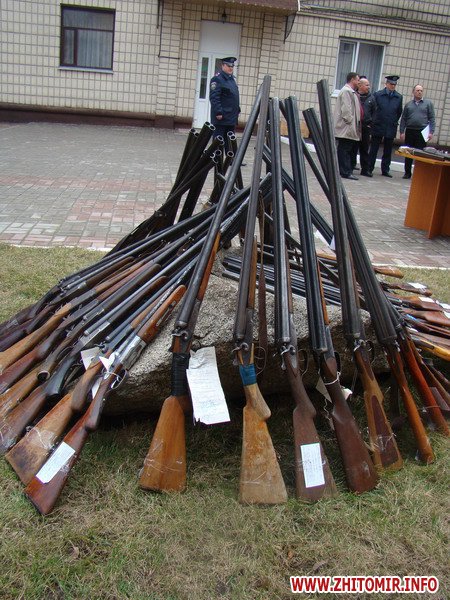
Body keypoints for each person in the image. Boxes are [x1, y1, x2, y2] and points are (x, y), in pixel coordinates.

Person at [367, 75, 403, 177]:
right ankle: (369, 168)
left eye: (394, 84)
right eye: (391, 84)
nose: (393, 86)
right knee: (374, 149)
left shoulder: (398, 97)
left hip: (390, 126)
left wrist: (393, 121)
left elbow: (399, 112)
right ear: (386, 84)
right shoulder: (378, 95)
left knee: (388, 150)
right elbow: (372, 108)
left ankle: (385, 170)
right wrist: (374, 120)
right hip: (378, 124)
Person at [399, 84, 436, 179]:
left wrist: (431, 132)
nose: (419, 92)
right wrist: (402, 131)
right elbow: (403, 119)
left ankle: (419, 174)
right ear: (413, 92)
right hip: (410, 131)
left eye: (421, 91)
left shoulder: (428, 104)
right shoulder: (408, 105)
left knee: (421, 153)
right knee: (408, 152)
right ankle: (407, 172)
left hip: (422, 131)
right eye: (417, 90)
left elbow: (432, 118)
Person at [333, 72, 361, 180]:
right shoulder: (346, 91)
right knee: (344, 149)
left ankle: (345, 170)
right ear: (352, 80)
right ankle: (345, 172)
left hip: (348, 127)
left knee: (346, 149)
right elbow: (346, 109)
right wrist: (350, 121)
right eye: (358, 80)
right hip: (346, 128)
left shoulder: (351, 92)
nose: (359, 82)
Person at [209, 57, 240, 148]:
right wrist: (218, 112)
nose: (231, 68)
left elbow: (233, 97)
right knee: (218, 143)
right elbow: (214, 97)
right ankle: (216, 157)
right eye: (228, 65)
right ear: (222, 66)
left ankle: (231, 157)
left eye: (232, 66)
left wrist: (237, 110)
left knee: (230, 143)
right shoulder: (217, 79)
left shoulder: (231, 79)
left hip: (231, 118)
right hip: (221, 118)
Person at [351, 76, 376, 177]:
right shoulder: (354, 95)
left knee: (365, 149)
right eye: (366, 85)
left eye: (369, 85)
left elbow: (374, 113)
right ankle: (351, 167)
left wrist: (371, 124)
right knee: (353, 148)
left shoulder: (371, 98)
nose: (368, 87)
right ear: (360, 85)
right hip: (356, 126)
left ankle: (365, 169)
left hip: (366, 127)